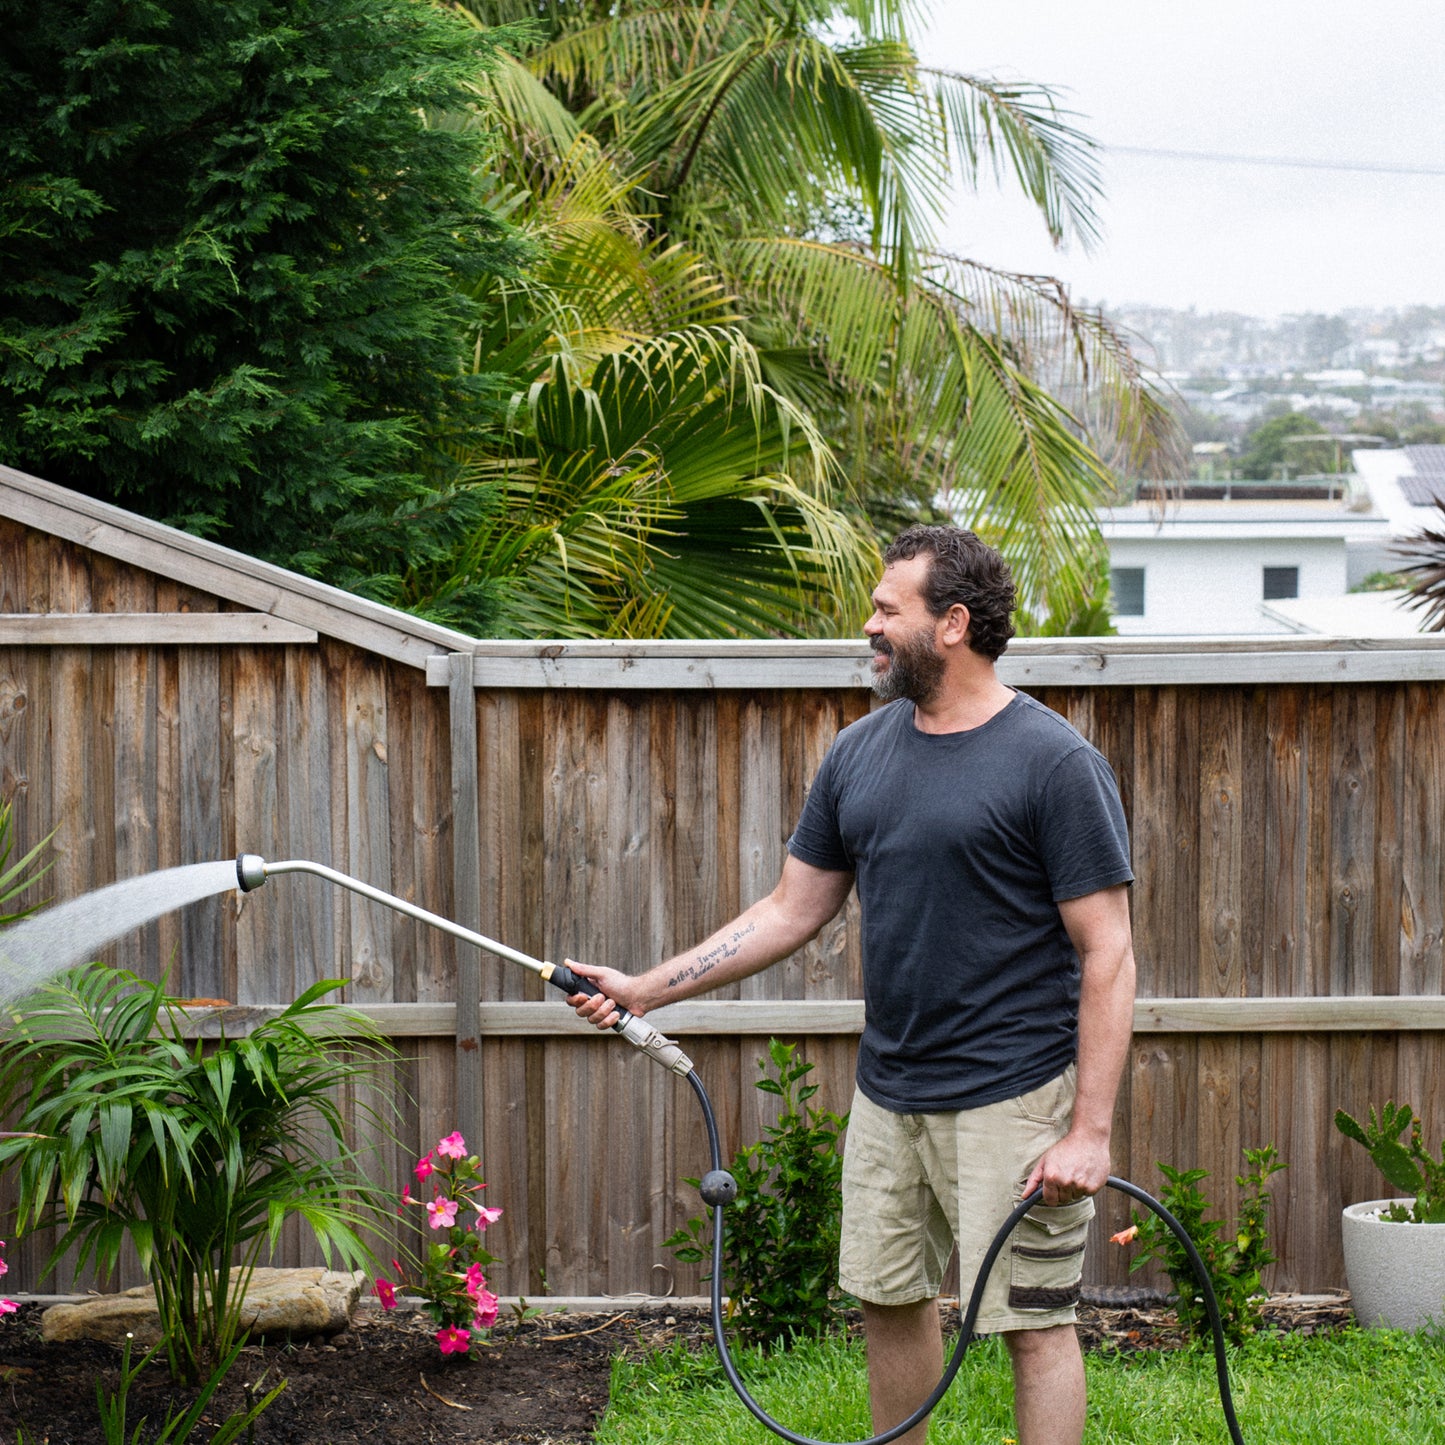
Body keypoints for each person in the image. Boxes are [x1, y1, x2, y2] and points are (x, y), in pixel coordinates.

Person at [568, 524, 1136, 1445]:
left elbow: (1106, 950)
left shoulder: (1052, 762)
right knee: (887, 1300)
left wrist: (1089, 1130)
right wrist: (645, 988)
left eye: (886, 609)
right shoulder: (859, 753)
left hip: (1013, 1095)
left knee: (1031, 1324)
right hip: (891, 1092)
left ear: (952, 623)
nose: (867, 625)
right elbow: (791, 909)